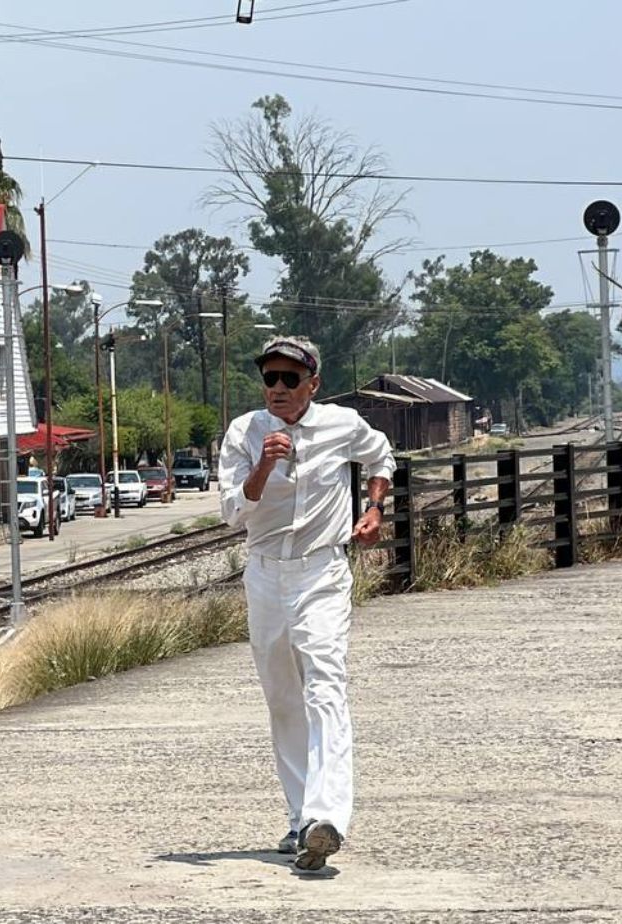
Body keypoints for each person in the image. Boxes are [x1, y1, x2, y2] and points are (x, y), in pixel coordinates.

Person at [217, 336, 393, 873]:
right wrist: (264, 466)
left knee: (324, 683)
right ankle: (301, 821)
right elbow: (231, 512)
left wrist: (374, 507)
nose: (277, 389)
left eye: (289, 380)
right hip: (266, 573)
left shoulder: (341, 424)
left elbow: (381, 454)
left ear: (312, 385)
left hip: (321, 570)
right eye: (270, 378)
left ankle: (327, 816)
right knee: (282, 697)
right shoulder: (245, 433)